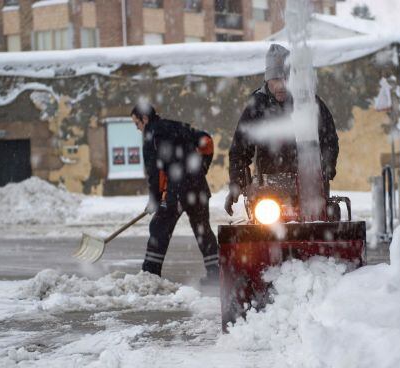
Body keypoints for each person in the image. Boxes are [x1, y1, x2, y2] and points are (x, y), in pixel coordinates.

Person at [224, 43, 340, 215]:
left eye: (285, 78)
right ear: (267, 79)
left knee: (317, 227)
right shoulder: (257, 105)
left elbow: (329, 138)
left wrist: (326, 167)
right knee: (263, 236)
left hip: (310, 185)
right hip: (268, 188)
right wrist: (236, 183)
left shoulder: (308, 102)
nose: (280, 85)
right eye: (275, 79)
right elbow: (239, 149)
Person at [131, 103, 219, 283]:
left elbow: (154, 173)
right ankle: (216, 273)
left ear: (145, 119)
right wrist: (201, 168)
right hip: (198, 188)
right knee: (203, 230)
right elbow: (207, 141)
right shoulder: (177, 126)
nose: (137, 128)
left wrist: (154, 199)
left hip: (177, 191)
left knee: (159, 228)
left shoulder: (151, 136)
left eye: (137, 124)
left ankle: (150, 275)